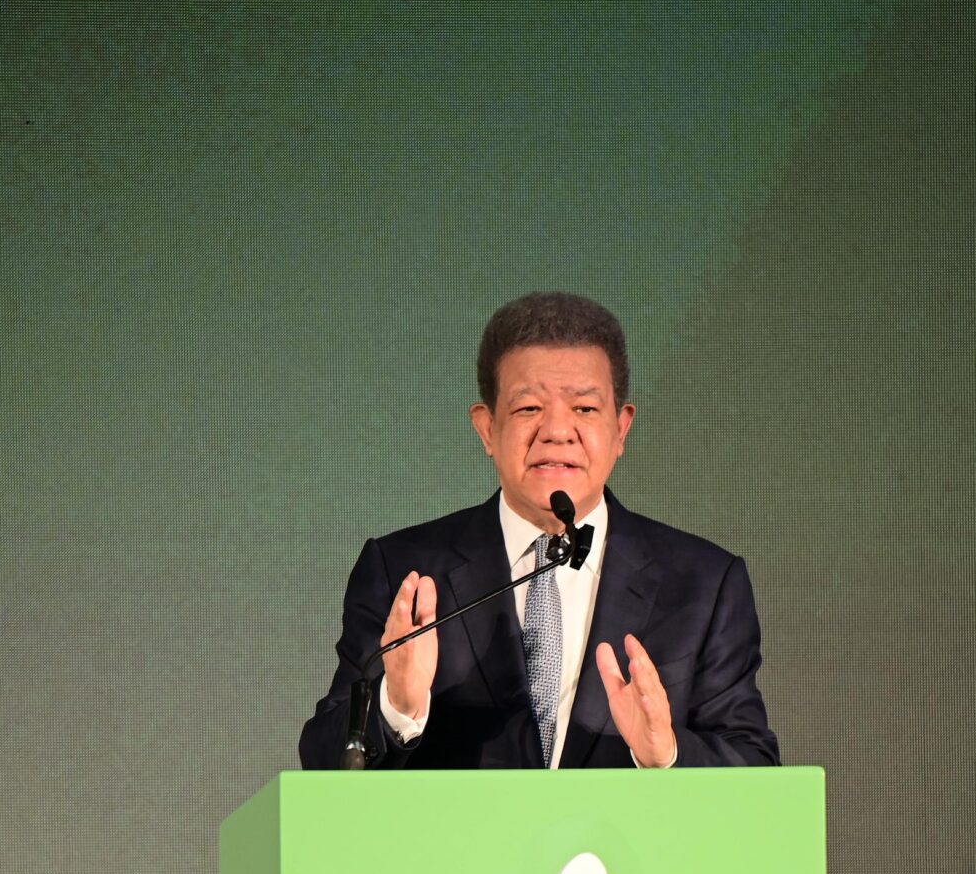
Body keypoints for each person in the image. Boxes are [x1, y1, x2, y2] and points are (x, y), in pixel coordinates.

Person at [298, 292, 780, 770]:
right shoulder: (404, 571)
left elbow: (754, 767)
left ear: (621, 429)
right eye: (529, 408)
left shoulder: (703, 583)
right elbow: (323, 762)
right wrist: (396, 706)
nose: (557, 431)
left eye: (585, 409)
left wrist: (665, 753)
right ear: (487, 428)